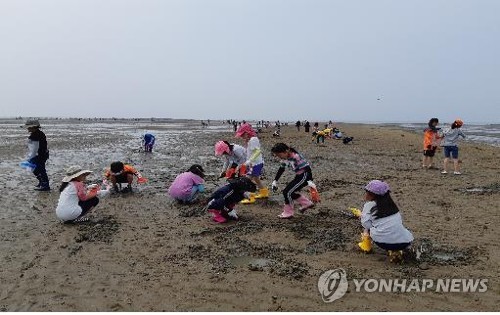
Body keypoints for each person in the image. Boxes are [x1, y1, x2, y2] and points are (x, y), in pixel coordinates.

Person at [358, 180, 414, 263]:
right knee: (396, 228)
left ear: (373, 195)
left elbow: (366, 224)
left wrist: (362, 216)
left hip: (382, 242)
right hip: (405, 242)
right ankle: (396, 251)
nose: (366, 194)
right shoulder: (393, 206)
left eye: (367, 192)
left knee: (366, 228)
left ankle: (366, 246)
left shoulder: (369, 206)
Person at [271, 143, 316, 219]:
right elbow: (282, 168)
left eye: (279, 155)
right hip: (299, 176)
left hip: (305, 176)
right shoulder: (286, 158)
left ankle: (288, 213)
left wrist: (310, 182)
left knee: (287, 192)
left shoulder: (295, 156)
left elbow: (307, 168)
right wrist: (275, 181)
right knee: (289, 192)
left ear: (286, 151)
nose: (279, 157)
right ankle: (307, 203)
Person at [235, 123, 269, 203]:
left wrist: (249, 162)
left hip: (255, 164)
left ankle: (251, 197)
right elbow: (251, 152)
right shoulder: (251, 139)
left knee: (247, 180)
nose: (241, 137)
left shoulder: (253, 139)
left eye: (242, 135)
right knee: (256, 179)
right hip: (256, 163)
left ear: (247, 133)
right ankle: (264, 193)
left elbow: (257, 151)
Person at [22, 120, 50, 191]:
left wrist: (30, 157)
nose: (27, 129)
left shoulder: (36, 135)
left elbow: (35, 148)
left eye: (28, 127)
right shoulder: (39, 133)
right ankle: (41, 182)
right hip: (42, 154)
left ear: (33, 127)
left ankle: (45, 185)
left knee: (39, 169)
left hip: (39, 155)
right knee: (36, 169)